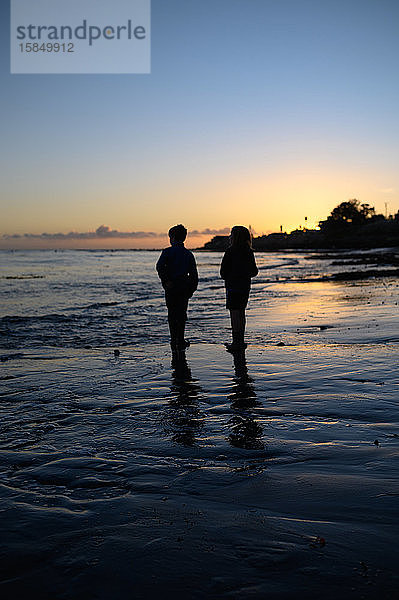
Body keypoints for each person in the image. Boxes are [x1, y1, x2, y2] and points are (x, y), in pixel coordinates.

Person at [156, 224, 198, 359]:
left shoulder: (167, 252)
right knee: (181, 314)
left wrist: (166, 281)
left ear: (172, 238)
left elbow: (159, 267)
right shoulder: (188, 254)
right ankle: (180, 339)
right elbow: (194, 275)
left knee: (172, 314)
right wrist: (192, 289)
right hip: (184, 286)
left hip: (171, 287)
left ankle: (174, 339)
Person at [220, 225, 258, 352]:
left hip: (232, 287)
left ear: (235, 237)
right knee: (241, 313)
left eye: (231, 234)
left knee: (234, 314)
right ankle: (240, 341)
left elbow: (223, 272)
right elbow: (254, 271)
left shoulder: (230, 251)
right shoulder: (249, 251)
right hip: (245, 287)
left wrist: (231, 276)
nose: (229, 237)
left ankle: (236, 343)